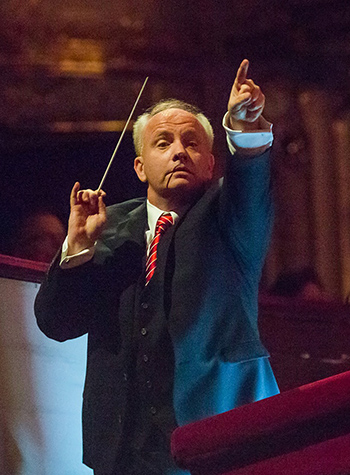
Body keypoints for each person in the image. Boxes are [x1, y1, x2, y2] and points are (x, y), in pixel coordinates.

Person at [34, 59, 279, 475]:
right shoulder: (106, 226)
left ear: (210, 164)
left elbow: (252, 180)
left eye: (191, 143)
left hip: (215, 437)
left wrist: (245, 127)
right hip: (120, 449)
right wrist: (77, 247)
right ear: (140, 166)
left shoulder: (230, 217)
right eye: (163, 142)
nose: (178, 151)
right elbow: (58, 324)